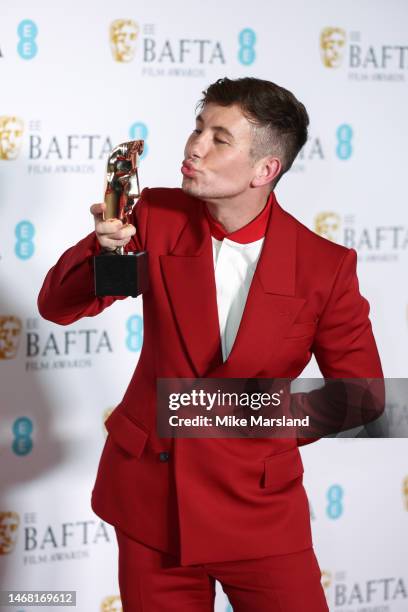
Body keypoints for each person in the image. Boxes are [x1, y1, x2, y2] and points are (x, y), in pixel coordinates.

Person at [38, 77, 383, 611]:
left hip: (259, 509)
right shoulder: (154, 214)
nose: (194, 146)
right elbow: (58, 306)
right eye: (199, 128)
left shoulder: (325, 267)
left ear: (265, 169)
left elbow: (362, 397)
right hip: (152, 506)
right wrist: (99, 250)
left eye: (220, 139)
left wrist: (241, 415)